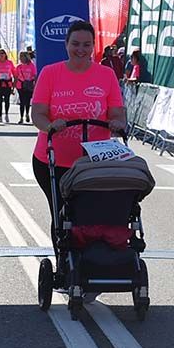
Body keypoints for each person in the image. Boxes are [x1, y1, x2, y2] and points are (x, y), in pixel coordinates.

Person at [31, 20, 127, 231]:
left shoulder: (106, 75)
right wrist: (50, 126)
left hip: (94, 161)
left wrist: (117, 124)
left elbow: (118, 114)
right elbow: (37, 114)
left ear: (93, 46)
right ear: (66, 44)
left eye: (86, 44)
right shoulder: (50, 73)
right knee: (62, 217)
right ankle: (63, 252)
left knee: (93, 217)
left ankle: (95, 250)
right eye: (75, 44)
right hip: (53, 161)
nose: (81, 49)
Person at [0, 48, 16, 124]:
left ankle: (6, 114)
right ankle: (0, 116)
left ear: (5, 54)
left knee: (7, 100)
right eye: (0, 53)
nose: (1, 55)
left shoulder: (9, 62)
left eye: (3, 53)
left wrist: (14, 84)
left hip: (7, 84)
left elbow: (14, 73)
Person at [15, 51, 37, 124]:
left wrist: (35, 84)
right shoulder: (18, 66)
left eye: (23, 56)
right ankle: (21, 117)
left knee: (27, 101)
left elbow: (34, 75)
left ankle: (27, 114)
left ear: (26, 57)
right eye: (20, 56)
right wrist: (13, 86)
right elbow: (16, 77)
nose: (21, 58)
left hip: (29, 85)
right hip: (20, 85)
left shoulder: (31, 65)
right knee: (22, 101)